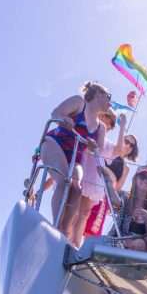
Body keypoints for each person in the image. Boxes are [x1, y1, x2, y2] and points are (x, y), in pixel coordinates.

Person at [41, 81, 111, 245]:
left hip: (75, 156)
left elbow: (98, 150)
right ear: (98, 94)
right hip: (55, 144)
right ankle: (56, 227)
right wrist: (63, 119)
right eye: (108, 96)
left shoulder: (101, 128)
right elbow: (55, 112)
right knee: (63, 181)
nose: (110, 101)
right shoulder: (79, 103)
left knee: (77, 188)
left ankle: (63, 234)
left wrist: (93, 146)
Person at [84, 117, 139, 238]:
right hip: (92, 185)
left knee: (92, 229)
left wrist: (111, 201)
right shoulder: (111, 150)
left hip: (104, 195)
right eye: (126, 141)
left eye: (132, 145)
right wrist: (123, 125)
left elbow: (118, 186)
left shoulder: (126, 168)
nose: (128, 145)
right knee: (80, 217)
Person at [106, 165, 147, 253]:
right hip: (121, 239)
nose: (145, 180)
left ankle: (145, 266)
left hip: (144, 244)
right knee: (139, 244)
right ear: (135, 180)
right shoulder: (125, 196)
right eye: (142, 177)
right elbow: (116, 202)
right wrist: (107, 180)